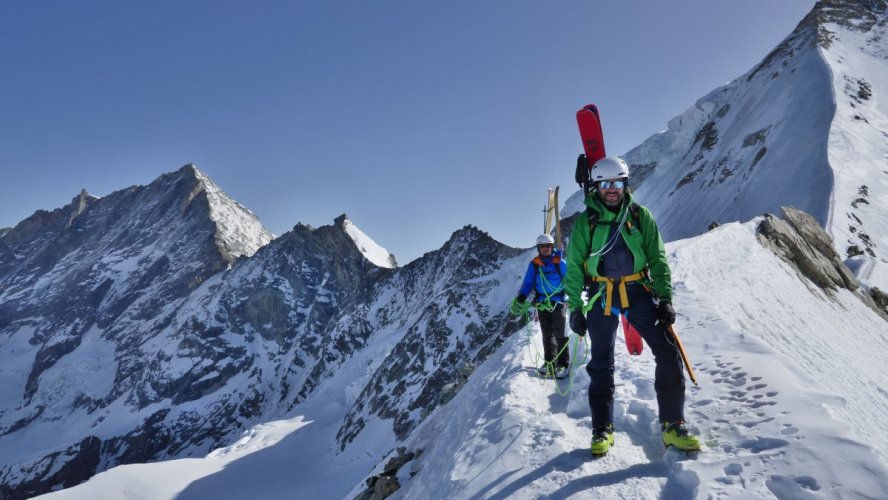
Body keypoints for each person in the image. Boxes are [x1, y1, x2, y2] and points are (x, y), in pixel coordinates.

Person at [564, 155, 700, 456]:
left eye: (618, 183)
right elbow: (573, 265)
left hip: (638, 290)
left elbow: (658, 258)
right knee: (600, 362)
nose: (612, 189)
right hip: (602, 294)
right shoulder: (587, 221)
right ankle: (602, 428)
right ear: (596, 187)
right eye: (605, 184)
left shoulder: (640, 216)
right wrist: (575, 307)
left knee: (667, 350)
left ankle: (673, 423)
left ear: (626, 184)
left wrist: (665, 299)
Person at [516, 234, 570, 379]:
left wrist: (573, 297)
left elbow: (570, 280)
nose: (545, 249)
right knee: (547, 334)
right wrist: (522, 296)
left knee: (560, 333)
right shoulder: (534, 264)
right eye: (542, 247)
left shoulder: (560, 263)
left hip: (558, 301)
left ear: (551, 247)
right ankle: (549, 363)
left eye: (548, 246)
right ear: (539, 248)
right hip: (542, 303)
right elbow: (528, 282)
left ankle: (563, 364)